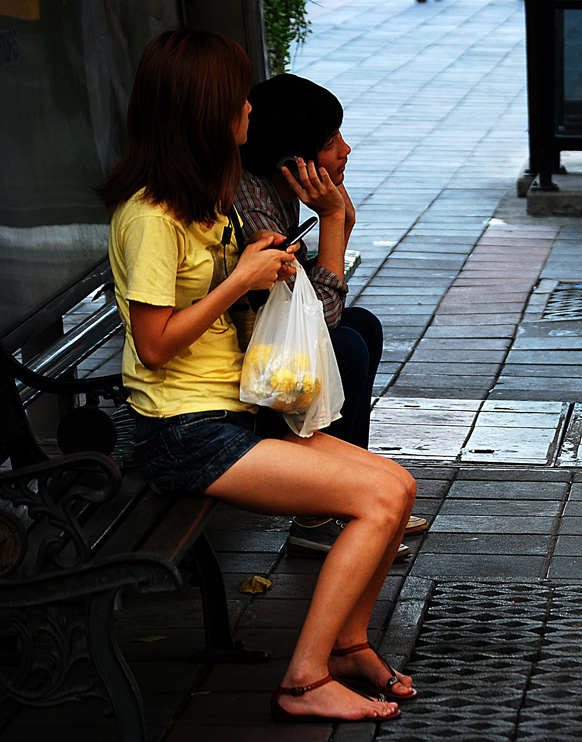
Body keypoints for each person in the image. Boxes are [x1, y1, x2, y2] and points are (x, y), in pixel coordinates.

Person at [97, 29, 417, 721]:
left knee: (397, 485)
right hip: (185, 431)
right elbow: (152, 346)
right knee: (376, 500)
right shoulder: (151, 217)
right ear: (208, 112)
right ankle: (302, 681)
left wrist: (266, 269)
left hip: (225, 415)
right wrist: (238, 277)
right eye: (239, 99)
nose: (250, 111)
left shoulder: (205, 206)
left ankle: (348, 643)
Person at [235, 73, 427, 556]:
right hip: (239, 369)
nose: (345, 150)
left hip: (260, 343)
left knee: (363, 326)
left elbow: (319, 310)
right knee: (346, 343)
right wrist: (335, 221)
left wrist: (335, 214)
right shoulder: (253, 203)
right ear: (290, 161)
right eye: (329, 142)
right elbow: (319, 321)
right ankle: (319, 514)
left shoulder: (273, 187)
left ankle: (349, 498)